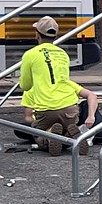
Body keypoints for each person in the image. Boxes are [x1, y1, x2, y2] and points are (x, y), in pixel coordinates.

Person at [18, 16, 86, 154]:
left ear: (37, 33)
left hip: (46, 109)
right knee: (67, 125)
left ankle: (48, 140)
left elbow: (25, 85)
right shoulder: (63, 54)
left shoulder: (30, 54)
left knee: (36, 132)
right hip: (69, 107)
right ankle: (72, 136)